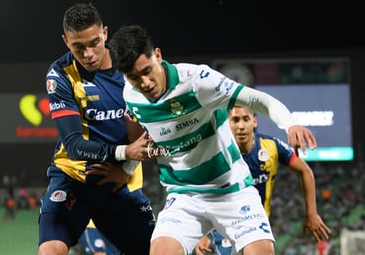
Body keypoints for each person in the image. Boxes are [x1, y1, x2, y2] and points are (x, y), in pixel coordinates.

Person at [109, 24, 318, 255]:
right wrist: (127, 167)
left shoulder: (198, 81)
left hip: (231, 190)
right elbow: (145, 142)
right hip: (183, 194)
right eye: (134, 77)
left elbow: (257, 100)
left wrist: (290, 124)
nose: (145, 83)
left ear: (157, 55)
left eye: (147, 70)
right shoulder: (131, 96)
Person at [38, 2, 156, 255]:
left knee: (160, 250)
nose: (88, 53)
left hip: (120, 184)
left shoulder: (130, 65)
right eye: (78, 47)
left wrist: (125, 170)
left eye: (94, 43)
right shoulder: (60, 74)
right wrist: (125, 153)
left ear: (105, 33)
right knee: (50, 250)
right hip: (73, 180)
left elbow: (149, 132)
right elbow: (73, 145)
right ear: (66, 42)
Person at [194, 106, 331, 255]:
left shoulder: (271, 146)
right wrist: (200, 233)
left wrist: (311, 213)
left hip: (256, 223)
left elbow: (305, 171)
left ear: (254, 121)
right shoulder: (215, 152)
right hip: (224, 227)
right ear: (227, 123)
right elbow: (196, 189)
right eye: (235, 120)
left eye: (245, 119)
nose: (241, 126)